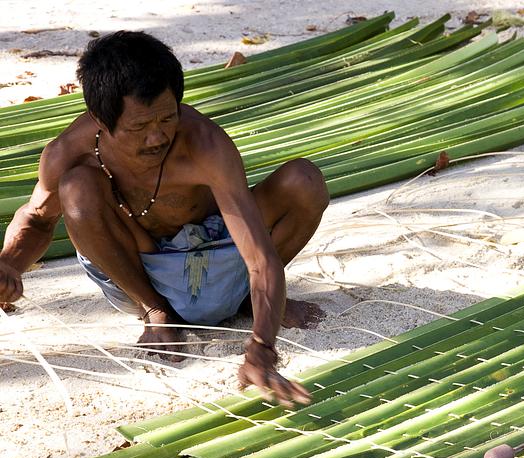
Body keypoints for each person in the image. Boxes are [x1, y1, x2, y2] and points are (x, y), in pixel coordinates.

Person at [0, 31, 330, 406]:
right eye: (139, 127)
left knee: (304, 181)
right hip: (137, 268)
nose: (157, 137)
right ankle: (156, 312)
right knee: (75, 188)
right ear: (100, 120)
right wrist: (9, 264)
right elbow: (38, 220)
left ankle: (248, 301)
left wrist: (262, 345)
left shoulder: (204, 144)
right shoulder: (68, 152)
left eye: (167, 118)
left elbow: (258, 256)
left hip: (218, 248)